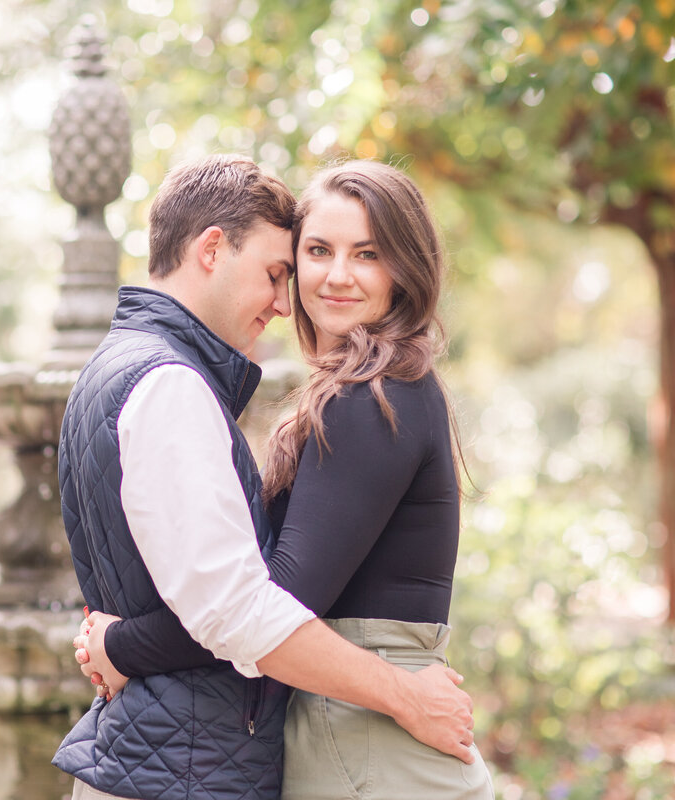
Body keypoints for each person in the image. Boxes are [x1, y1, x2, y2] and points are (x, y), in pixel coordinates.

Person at [51, 154, 476, 800]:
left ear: (404, 269)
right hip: (340, 733)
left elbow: (264, 601)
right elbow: (245, 605)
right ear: (212, 250)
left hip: (367, 741)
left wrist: (121, 645)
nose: (329, 278)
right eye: (313, 254)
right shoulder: (180, 381)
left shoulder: (376, 399)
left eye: (367, 254)